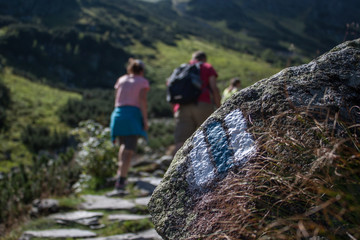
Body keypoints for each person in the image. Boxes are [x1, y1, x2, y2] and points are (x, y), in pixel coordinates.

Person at [109, 58, 149, 193]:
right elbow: (142, 100)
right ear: (142, 70)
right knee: (129, 149)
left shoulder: (121, 80)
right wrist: (145, 120)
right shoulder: (142, 81)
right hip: (132, 115)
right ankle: (121, 180)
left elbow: (116, 98)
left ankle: (121, 175)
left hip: (118, 114)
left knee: (123, 145)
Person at [173, 51, 221, 154]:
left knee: (181, 141)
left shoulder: (182, 68)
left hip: (182, 106)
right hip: (203, 104)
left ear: (192, 58)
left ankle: (176, 168)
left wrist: (175, 110)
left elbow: (172, 89)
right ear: (204, 59)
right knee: (208, 136)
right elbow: (214, 88)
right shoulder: (207, 67)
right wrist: (219, 107)